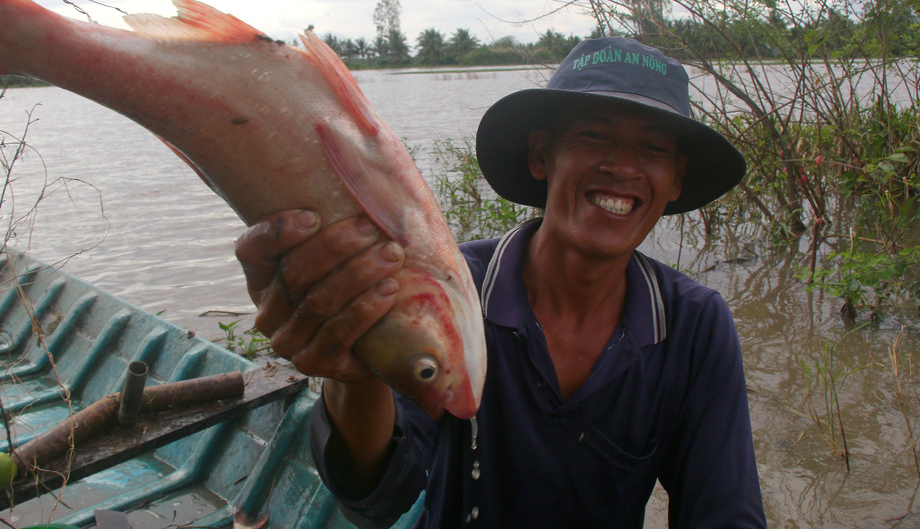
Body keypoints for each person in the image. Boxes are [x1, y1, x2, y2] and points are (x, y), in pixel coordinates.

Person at [235, 37, 767, 528]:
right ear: (541, 155)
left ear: (675, 178)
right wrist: (354, 375)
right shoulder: (448, 289)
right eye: (594, 134)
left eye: (653, 149)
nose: (623, 166)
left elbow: (723, 512)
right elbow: (380, 491)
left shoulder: (694, 323)